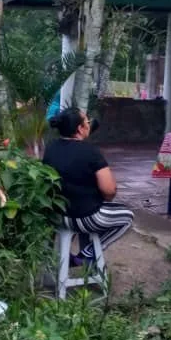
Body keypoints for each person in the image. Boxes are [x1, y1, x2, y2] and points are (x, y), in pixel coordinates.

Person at [43, 108, 133, 264]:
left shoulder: (51, 148)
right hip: (84, 217)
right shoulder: (90, 152)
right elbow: (109, 190)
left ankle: (77, 256)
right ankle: (85, 255)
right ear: (80, 128)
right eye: (87, 122)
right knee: (127, 216)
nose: (90, 124)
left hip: (58, 216)